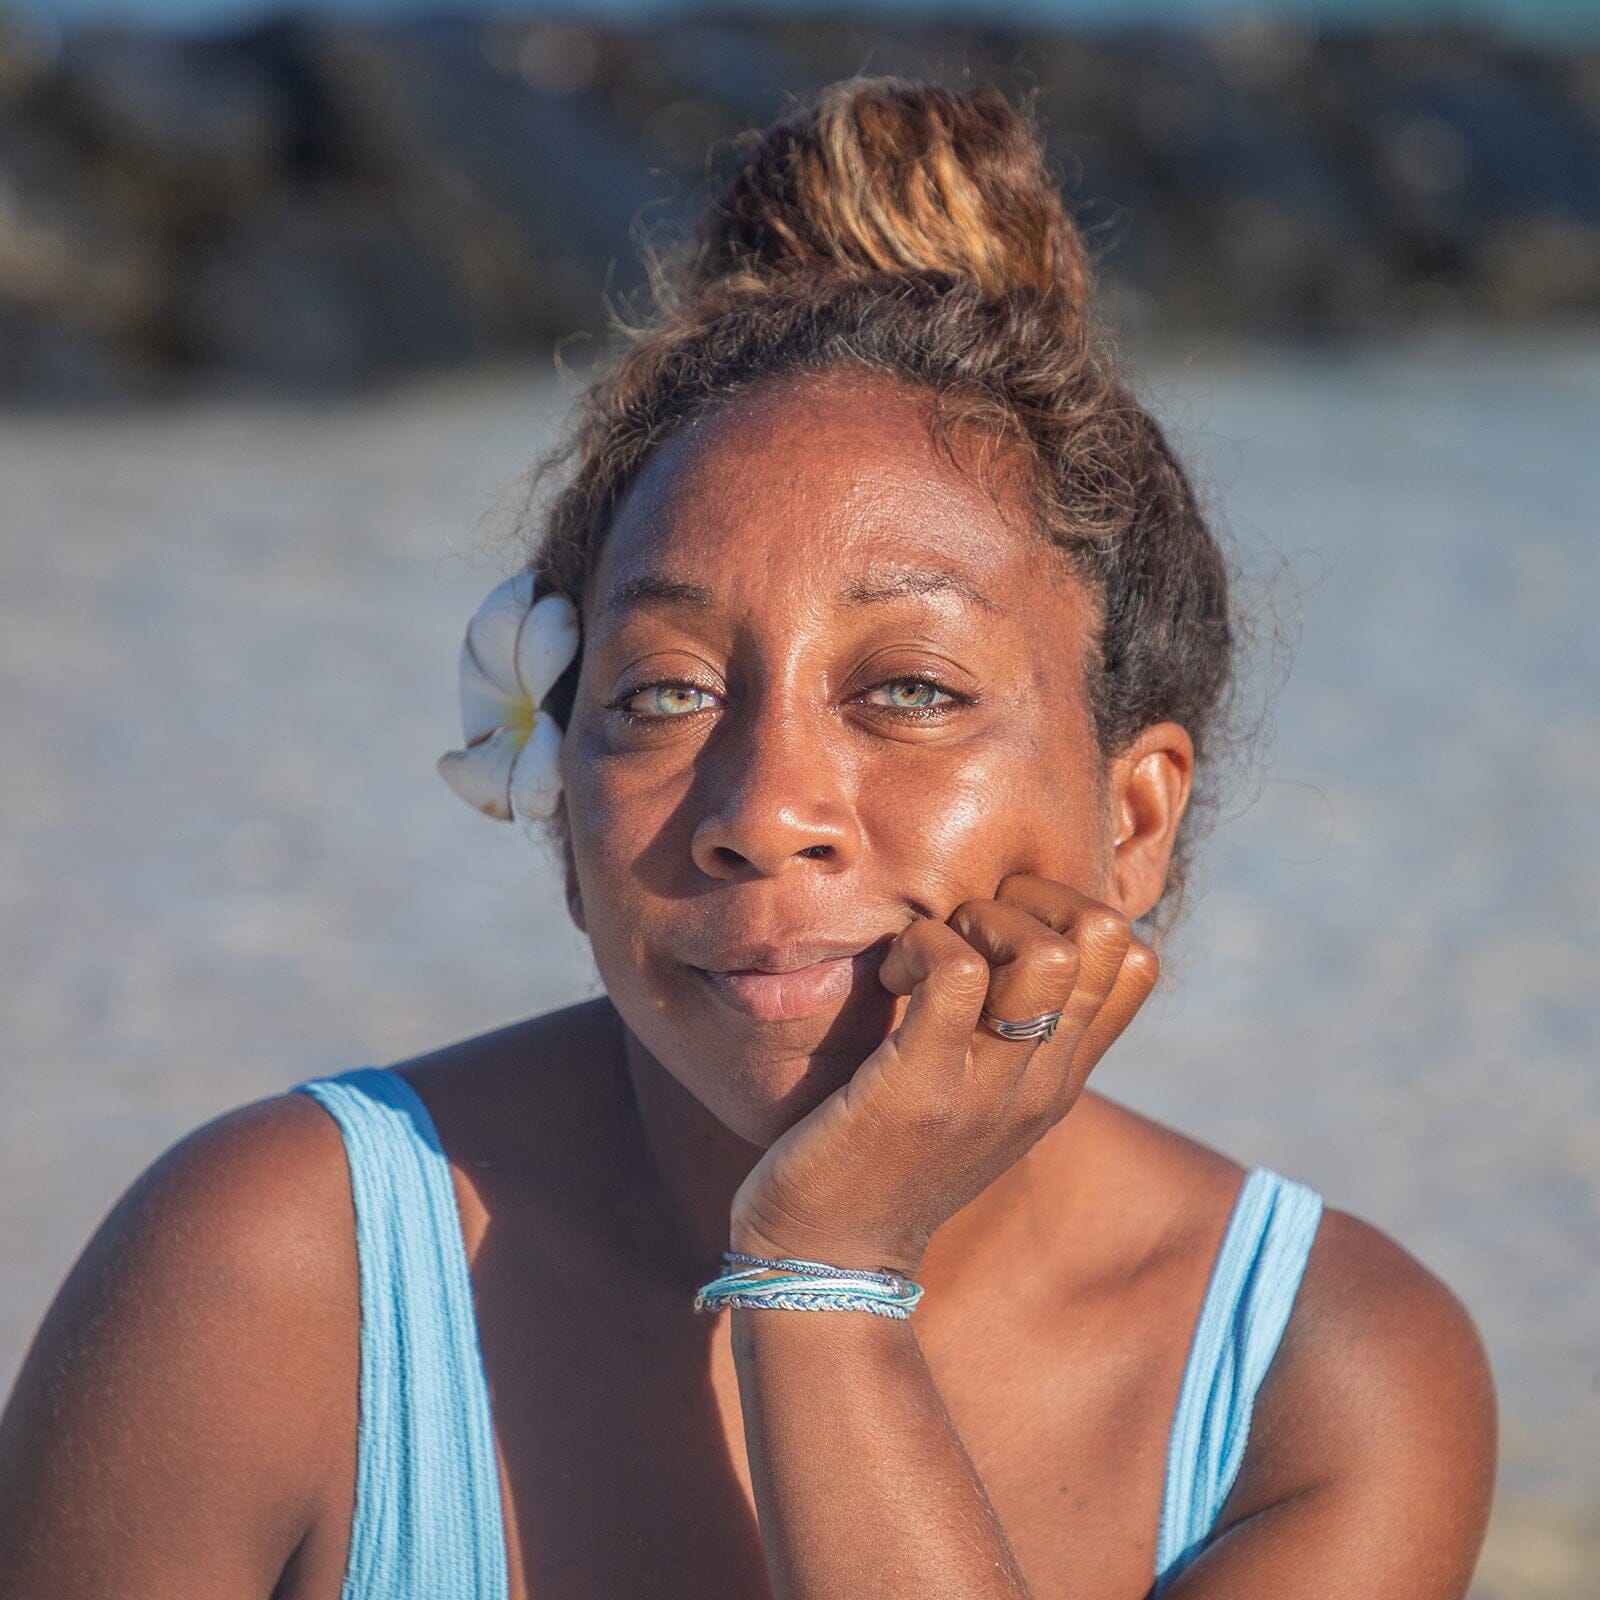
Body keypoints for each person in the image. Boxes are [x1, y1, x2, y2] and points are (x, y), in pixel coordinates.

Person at [0, 76, 1496, 1600]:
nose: (764, 811)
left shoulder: (1315, 1390)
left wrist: (824, 1276)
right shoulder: (269, 1281)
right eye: (663, 693)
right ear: (563, 799)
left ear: (1133, 821)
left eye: (909, 689)